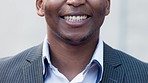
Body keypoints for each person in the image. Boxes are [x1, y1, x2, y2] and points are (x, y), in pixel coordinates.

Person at [0, 0, 148, 83]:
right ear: (40, 4)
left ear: (107, 4)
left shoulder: (143, 76)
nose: (76, 2)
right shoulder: (3, 74)